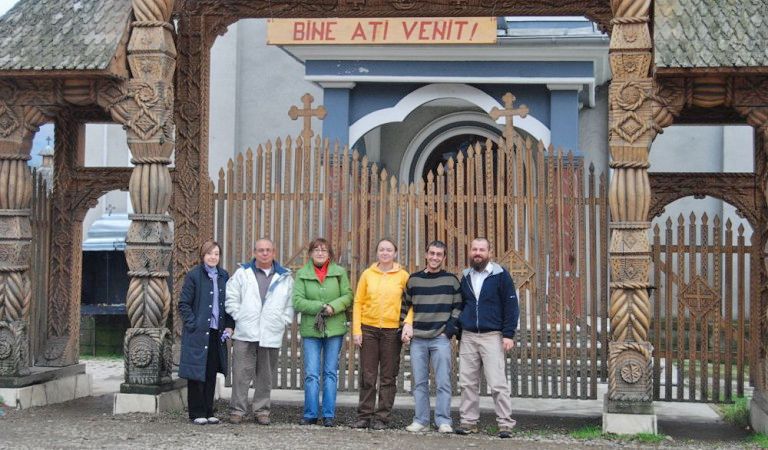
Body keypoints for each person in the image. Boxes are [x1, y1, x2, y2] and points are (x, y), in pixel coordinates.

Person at [454, 237, 519, 439]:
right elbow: (460, 306)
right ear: (470, 252)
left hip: (492, 336)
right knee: (467, 383)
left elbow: (511, 305)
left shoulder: (500, 275)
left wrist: (508, 334)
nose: (477, 253)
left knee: (498, 383)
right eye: (474, 249)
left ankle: (505, 424)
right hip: (469, 336)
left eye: (482, 249)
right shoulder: (465, 276)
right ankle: (468, 422)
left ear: (490, 252)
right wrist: (458, 331)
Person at [225, 238, 294, 425]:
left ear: (274, 252)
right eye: (261, 250)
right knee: (240, 373)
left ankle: (262, 410)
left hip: (270, 332)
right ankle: (237, 410)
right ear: (254, 252)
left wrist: (283, 320)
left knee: (266, 375)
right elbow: (231, 296)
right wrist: (239, 315)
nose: (264, 253)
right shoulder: (242, 273)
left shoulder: (285, 277)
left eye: (268, 250)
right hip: (245, 332)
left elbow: (290, 303)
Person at [400, 240, 462, 434]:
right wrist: (406, 325)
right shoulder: (414, 279)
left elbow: (458, 308)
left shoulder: (451, 280)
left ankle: (444, 420)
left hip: (440, 338)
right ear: (426, 255)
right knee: (419, 382)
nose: (435, 257)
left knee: (443, 381)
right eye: (432, 253)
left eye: (439, 254)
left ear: (444, 258)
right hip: (418, 339)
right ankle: (421, 420)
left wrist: (448, 331)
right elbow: (405, 306)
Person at [292, 238, 353, 427]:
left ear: (329, 254)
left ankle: (328, 414)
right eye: (316, 250)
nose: (320, 253)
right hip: (311, 330)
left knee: (330, 372)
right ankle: (310, 413)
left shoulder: (339, 273)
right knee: (311, 373)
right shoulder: (302, 274)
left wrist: (333, 307)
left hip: (334, 329)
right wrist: (321, 306)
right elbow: (297, 301)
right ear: (310, 253)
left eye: (324, 250)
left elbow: (348, 295)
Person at [352, 238, 410, 430]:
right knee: (368, 375)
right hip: (368, 329)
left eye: (389, 250)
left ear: (395, 253)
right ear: (377, 253)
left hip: (392, 332)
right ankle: (364, 416)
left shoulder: (403, 276)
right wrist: (356, 330)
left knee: (388, 376)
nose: (385, 253)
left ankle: (382, 418)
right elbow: (358, 302)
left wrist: (407, 323)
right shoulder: (367, 274)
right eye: (381, 249)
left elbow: (411, 304)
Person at [178, 240, 234, 425]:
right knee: (196, 373)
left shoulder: (224, 276)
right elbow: (183, 304)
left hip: (216, 333)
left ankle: (209, 410)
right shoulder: (194, 275)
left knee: (211, 372)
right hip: (197, 333)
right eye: (210, 253)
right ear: (203, 255)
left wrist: (229, 325)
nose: (213, 257)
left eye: (216, 254)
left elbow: (229, 305)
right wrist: (193, 324)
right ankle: (196, 412)